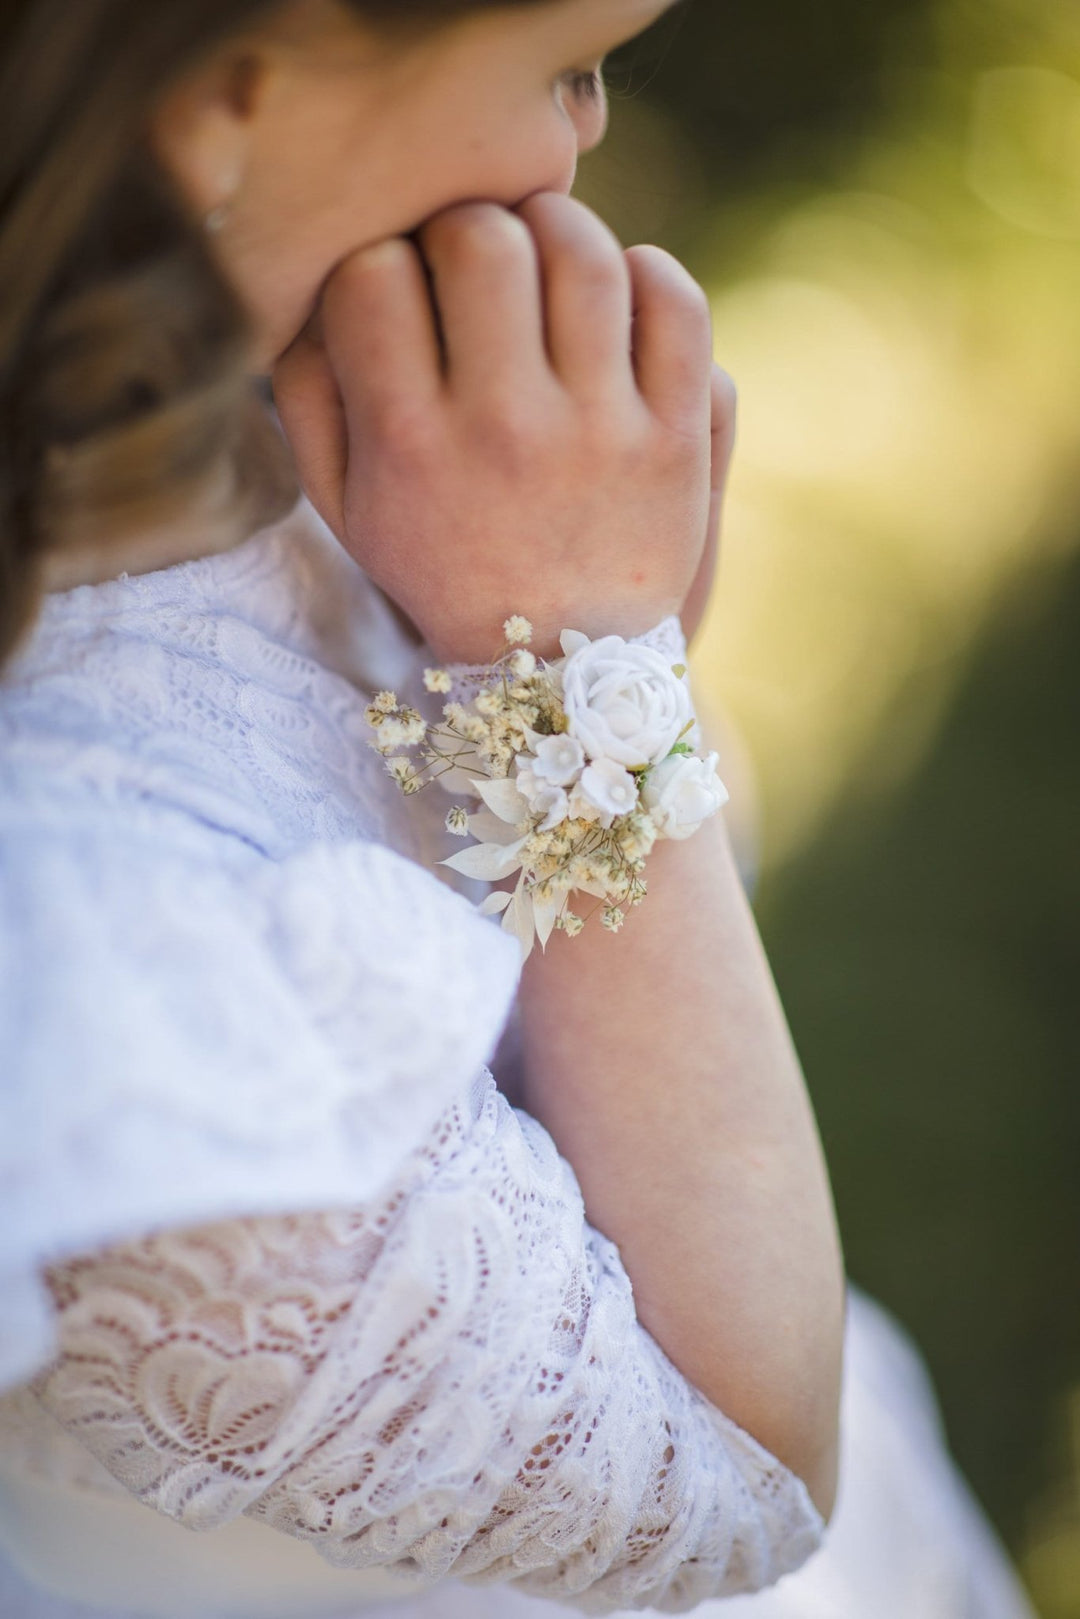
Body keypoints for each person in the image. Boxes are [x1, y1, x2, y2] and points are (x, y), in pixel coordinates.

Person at [0, 1, 1034, 1616]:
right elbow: (744, 1469)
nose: (595, 133)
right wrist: (579, 684)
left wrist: (548, 661)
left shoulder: (266, 395)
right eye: (570, 69)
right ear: (225, 103)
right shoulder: (108, 967)